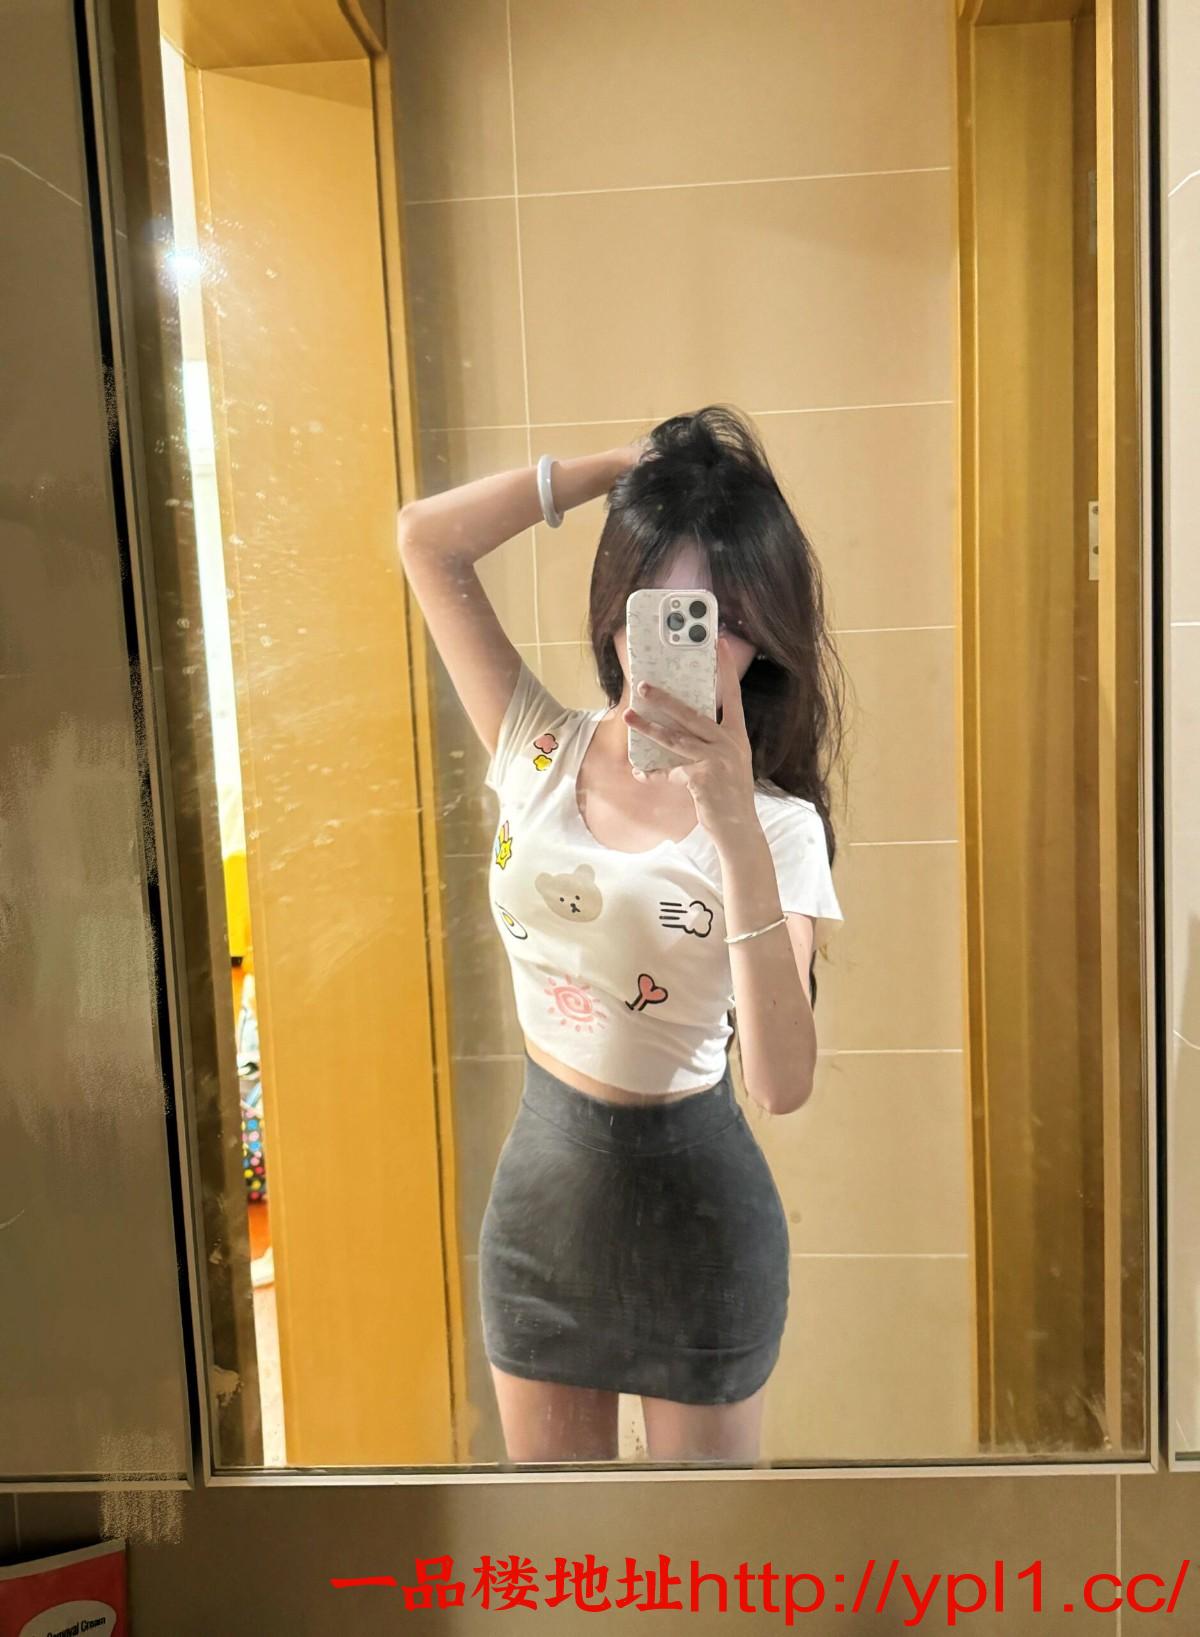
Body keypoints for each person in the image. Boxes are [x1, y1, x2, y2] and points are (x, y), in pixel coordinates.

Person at [397, 405, 846, 1465]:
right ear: (618, 609)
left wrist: (733, 826)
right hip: (541, 1219)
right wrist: (611, 472)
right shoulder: (535, 744)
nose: (693, 645)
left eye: (723, 619)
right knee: (570, 1554)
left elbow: (780, 1083)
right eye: (664, 610)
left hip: (703, 1230)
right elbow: (425, 539)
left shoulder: (779, 828)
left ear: (763, 634)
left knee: (699, 1558)